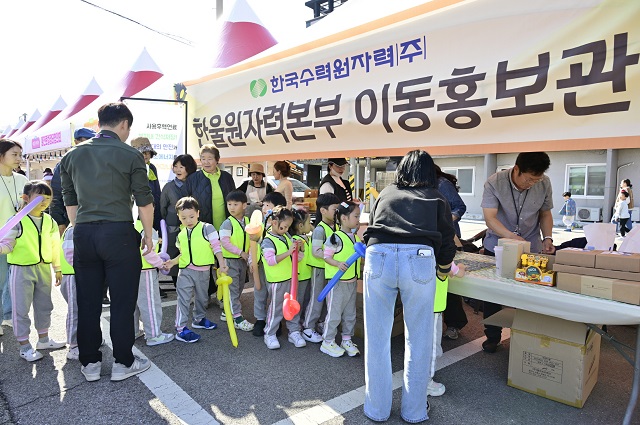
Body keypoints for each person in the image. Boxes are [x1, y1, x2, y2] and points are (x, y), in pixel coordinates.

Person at [60, 102, 154, 382]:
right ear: (124, 124)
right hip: (119, 234)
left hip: (85, 233)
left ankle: (89, 363)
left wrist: (82, 230)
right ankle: (123, 363)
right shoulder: (130, 154)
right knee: (122, 301)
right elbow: (144, 200)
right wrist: (148, 234)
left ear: (101, 122)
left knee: (88, 300)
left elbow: (70, 200)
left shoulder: (72, 155)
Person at [363, 150, 456, 422]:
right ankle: (414, 411)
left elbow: (372, 226)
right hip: (419, 258)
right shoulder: (436, 197)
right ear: (430, 173)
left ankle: (376, 410)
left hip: (377, 255)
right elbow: (447, 240)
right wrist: (443, 269)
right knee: (418, 338)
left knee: (376, 338)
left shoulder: (386, 193)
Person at [481, 151, 554, 353]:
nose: (531, 183)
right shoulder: (494, 183)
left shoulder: (544, 183)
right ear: (516, 169)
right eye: (529, 179)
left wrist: (548, 238)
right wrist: (510, 236)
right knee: (493, 294)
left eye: (536, 180)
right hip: (497, 245)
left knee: (530, 293)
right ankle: (492, 336)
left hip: (531, 245)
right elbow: (490, 218)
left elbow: (545, 213)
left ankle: (528, 337)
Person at [0, 181, 64, 361]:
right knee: (21, 309)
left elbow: (54, 245)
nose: (45, 201)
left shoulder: (49, 220)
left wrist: (57, 268)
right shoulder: (16, 220)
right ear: (26, 198)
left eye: (48, 198)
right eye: (40, 197)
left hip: (43, 269)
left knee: (44, 306)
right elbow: (8, 244)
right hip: (21, 270)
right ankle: (24, 346)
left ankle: (43, 340)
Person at [162, 197, 228, 343]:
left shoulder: (207, 228)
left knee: (203, 298)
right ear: (179, 217)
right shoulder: (181, 235)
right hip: (185, 271)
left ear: (198, 213)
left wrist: (222, 263)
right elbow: (183, 254)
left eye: (191, 216)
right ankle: (181, 328)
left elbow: (216, 247)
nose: (188, 220)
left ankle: (199, 319)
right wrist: (172, 262)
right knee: (183, 300)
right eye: (184, 217)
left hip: (204, 271)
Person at [321, 201, 361, 358]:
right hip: (336, 284)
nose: (358, 219)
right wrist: (337, 263)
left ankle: (346, 339)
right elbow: (326, 256)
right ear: (344, 218)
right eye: (356, 216)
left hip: (351, 283)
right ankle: (328, 341)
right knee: (334, 314)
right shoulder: (335, 237)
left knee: (350, 314)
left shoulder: (355, 237)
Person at [260, 206, 301, 349]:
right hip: (277, 281)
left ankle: (294, 331)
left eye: (288, 227)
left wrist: (297, 249)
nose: (286, 230)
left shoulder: (286, 236)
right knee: (276, 308)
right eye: (284, 227)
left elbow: (296, 256)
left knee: (294, 306)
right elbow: (271, 261)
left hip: (291, 279)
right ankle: (269, 333)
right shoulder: (267, 241)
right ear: (274, 222)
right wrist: (290, 252)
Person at [435, 165, 468, 341]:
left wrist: (443, 222)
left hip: (448, 240)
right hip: (431, 240)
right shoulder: (418, 186)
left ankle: (454, 324)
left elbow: (459, 207)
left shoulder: (441, 184)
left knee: (449, 283)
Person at [303, 193, 340, 343]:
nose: (337, 212)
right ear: (323, 210)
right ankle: (308, 327)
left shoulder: (336, 226)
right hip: (320, 269)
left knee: (327, 298)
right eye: (334, 209)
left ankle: (319, 323)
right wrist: (332, 256)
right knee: (317, 298)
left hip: (330, 269)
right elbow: (316, 251)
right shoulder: (320, 229)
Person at [0, 139, 29, 332]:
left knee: (14, 282)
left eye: (20, 154)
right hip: (1, 239)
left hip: (20, 238)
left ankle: (8, 315)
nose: (19, 158)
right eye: (14, 154)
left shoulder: (23, 180)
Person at [132, 220, 175, 346]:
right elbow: (148, 252)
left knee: (132, 304)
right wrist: (161, 264)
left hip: (128, 270)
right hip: (145, 271)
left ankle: (133, 331)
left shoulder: (130, 225)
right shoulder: (148, 229)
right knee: (150, 304)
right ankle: (154, 335)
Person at [251, 191, 287, 337]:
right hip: (260, 265)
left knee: (275, 295)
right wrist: (251, 261)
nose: (264, 208)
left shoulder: (282, 228)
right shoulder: (259, 224)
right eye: (263, 205)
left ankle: (274, 321)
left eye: (268, 205)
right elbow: (252, 244)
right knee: (259, 292)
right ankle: (260, 319)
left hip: (275, 266)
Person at [219, 190, 254, 331]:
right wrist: (241, 252)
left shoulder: (247, 221)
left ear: (244, 205)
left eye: (235, 204)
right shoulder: (227, 223)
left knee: (238, 287)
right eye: (229, 204)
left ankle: (226, 312)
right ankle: (237, 318)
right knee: (234, 289)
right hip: (230, 261)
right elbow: (224, 242)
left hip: (241, 261)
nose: (231, 207)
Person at [160, 154, 197, 284]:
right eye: (175, 167)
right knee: (173, 258)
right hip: (172, 230)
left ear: (189, 168)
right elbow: (162, 209)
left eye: (181, 167)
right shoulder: (169, 187)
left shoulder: (195, 184)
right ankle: (178, 286)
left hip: (191, 229)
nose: (177, 170)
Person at [51, 127, 96, 235]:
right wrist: (60, 222)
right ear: (76, 142)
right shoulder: (65, 163)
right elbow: (56, 194)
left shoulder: (98, 162)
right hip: (72, 221)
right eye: (87, 140)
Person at [185, 144, 235, 231]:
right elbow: (186, 203)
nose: (206, 162)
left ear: (217, 160)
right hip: (202, 227)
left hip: (226, 226)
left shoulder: (227, 177)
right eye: (203, 159)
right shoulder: (193, 179)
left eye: (210, 159)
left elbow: (234, 198)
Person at [131, 137, 162, 231]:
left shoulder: (152, 168)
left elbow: (157, 191)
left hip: (153, 210)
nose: (145, 155)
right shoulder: (130, 167)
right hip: (137, 211)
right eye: (142, 152)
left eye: (147, 152)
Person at [290, 209, 312, 333]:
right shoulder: (296, 240)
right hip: (299, 277)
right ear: (300, 226)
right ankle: (294, 328)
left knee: (305, 301)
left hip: (307, 275)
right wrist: (302, 250)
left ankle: (301, 324)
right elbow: (295, 260)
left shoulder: (304, 238)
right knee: (297, 302)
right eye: (309, 222)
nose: (311, 225)